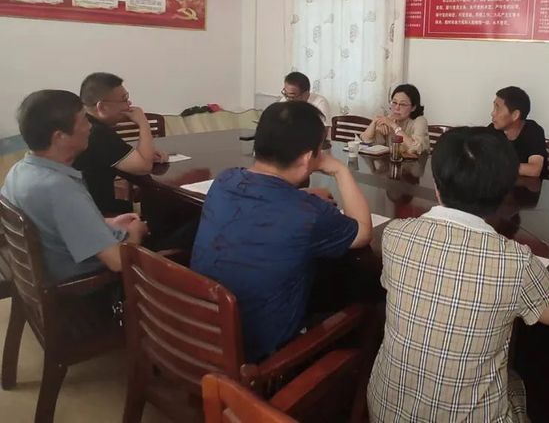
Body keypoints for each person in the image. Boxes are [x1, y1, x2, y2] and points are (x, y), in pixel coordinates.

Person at [368, 127, 549, 422]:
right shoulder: (514, 261)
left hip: (385, 409)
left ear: (437, 185)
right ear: (504, 194)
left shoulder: (395, 234)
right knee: (519, 383)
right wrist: (528, 263)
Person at [190, 101, 372, 362]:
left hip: (202, 333)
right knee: (362, 308)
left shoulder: (225, 180)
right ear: (308, 157)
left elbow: (266, 200)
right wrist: (340, 170)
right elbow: (363, 232)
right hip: (262, 359)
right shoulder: (309, 214)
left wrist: (304, 196)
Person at [1, 90, 148, 282]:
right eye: (84, 121)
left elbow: (55, 225)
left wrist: (105, 223)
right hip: (88, 284)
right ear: (60, 137)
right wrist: (136, 232)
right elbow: (118, 262)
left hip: (47, 271)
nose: (90, 127)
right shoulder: (60, 189)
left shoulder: (18, 171)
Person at [73, 72, 166, 215]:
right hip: (100, 215)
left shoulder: (82, 125)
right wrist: (143, 122)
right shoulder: (98, 133)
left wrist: (143, 155)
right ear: (102, 107)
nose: (129, 105)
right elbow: (143, 167)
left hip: (82, 207)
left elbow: (123, 156)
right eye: (124, 99)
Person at [490, 86, 548, 178]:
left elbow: (534, 170)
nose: (492, 113)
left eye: (498, 108)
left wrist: (497, 166)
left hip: (532, 186)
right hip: (504, 183)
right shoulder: (492, 129)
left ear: (515, 115)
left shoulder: (534, 131)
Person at [361, 84, 430, 154]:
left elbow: (417, 149)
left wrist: (394, 126)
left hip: (417, 161)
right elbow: (366, 140)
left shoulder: (420, 121)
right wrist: (375, 122)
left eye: (402, 104)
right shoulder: (389, 119)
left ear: (413, 107)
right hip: (392, 160)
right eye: (394, 102)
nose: (397, 107)